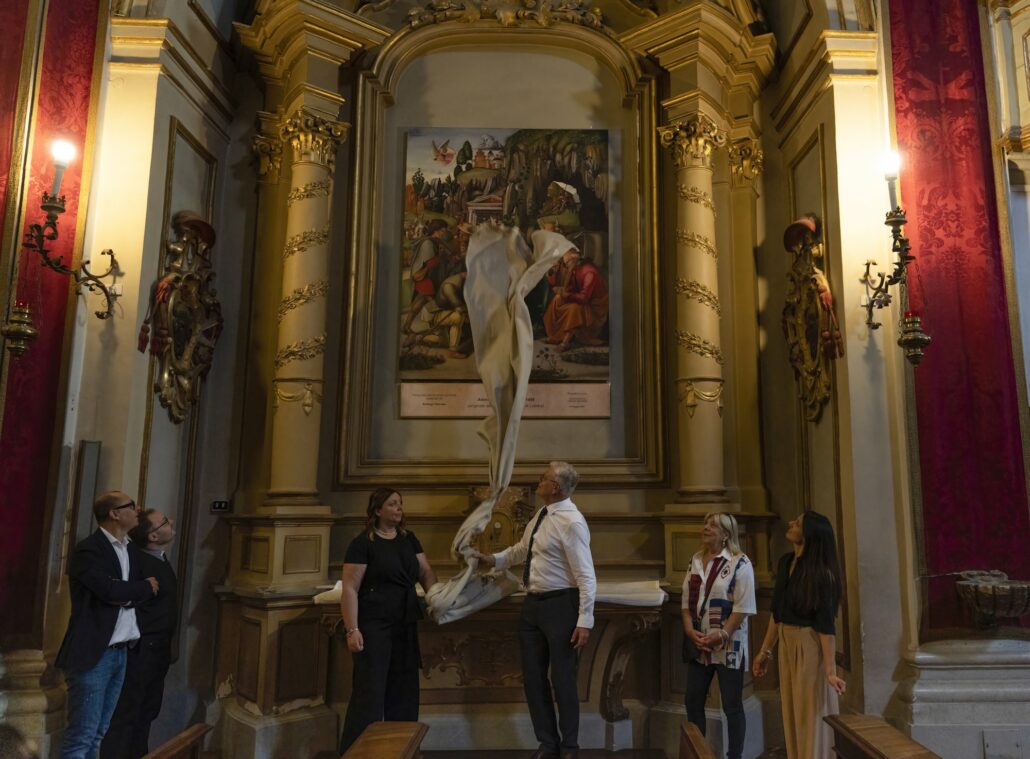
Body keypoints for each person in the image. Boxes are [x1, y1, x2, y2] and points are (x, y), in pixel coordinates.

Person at [474, 461, 596, 759]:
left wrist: (584, 620)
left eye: (543, 478)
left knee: (563, 679)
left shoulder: (571, 521)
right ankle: (547, 742)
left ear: (555, 487)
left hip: (560, 605)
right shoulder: (542, 514)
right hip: (533, 606)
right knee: (532, 678)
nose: (537, 481)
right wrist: (492, 559)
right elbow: (522, 550)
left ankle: (569, 747)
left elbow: (586, 575)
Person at [56, 492, 159, 759]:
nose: (137, 511)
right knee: (81, 736)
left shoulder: (129, 549)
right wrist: (138, 589)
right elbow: (110, 591)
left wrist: (132, 591)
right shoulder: (89, 550)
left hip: (121, 652)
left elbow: (133, 591)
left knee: (99, 733)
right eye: (131, 506)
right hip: (94, 654)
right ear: (114, 513)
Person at [338, 489, 439, 753]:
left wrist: (437, 597)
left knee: (404, 691)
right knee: (369, 695)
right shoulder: (363, 543)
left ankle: (400, 750)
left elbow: (426, 571)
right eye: (392, 504)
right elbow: (350, 588)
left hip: (404, 623)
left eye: (400, 504)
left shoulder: (409, 539)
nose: (399, 508)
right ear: (377, 510)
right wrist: (353, 629)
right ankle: (358, 752)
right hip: (374, 625)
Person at [753, 511, 846, 759]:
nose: (791, 523)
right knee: (792, 711)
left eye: (798, 523)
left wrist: (829, 671)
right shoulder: (786, 562)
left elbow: (826, 628)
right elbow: (777, 613)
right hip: (785, 641)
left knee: (810, 713)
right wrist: (765, 651)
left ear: (809, 534)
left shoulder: (821, 574)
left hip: (809, 645)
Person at [100, 509, 178, 758]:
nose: (171, 521)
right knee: (127, 716)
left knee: (145, 713)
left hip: (157, 651)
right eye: (165, 521)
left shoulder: (157, 558)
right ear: (153, 537)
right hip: (142, 651)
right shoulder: (136, 563)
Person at [681, 513, 756, 759]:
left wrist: (722, 634)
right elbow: (685, 603)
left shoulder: (739, 562)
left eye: (713, 526)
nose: (706, 528)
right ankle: (698, 752)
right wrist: (690, 630)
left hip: (729, 645)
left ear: (726, 534)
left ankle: (734, 756)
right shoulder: (695, 560)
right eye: (705, 523)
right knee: (693, 701)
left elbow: (743, 607)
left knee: (732, 706)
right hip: (699, 643)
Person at [542, 248, 608, 352]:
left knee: (574, 308)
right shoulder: (574, 270)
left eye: (567, 263)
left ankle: (565, 343)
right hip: (583, 302)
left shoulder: (590, 273)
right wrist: (559, 287)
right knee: (557, 299)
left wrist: (565, 294)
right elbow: (570, 289)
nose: (566, 266)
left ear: (575, 260)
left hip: (595, 309)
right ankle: (556, 336)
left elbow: (584, 298)